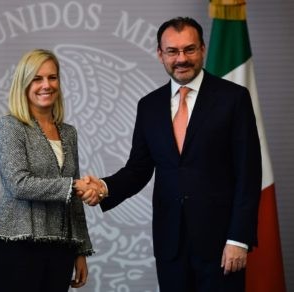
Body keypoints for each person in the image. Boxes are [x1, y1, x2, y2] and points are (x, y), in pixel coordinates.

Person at [77, 17, 262, 292]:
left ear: (202, 49)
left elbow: (249, 173)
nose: (181, 59)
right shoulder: (149, 106)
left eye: (189, 49)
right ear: (160, 54)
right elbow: (138, 169)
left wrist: (238, 239)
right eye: (172, 51)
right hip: (170, 245)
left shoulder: (233, 98)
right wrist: (104, 187)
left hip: (221, 245)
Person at [0, 49, 95, 292]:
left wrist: (81, 250)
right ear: (24, 84)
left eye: (52, 77)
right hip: (17, 248)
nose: (46, 85)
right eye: (37, 78)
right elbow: (18, 184)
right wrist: (73, 186)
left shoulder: (68, 133)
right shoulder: (10, 126)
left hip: (61, 250)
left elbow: (73, 202)